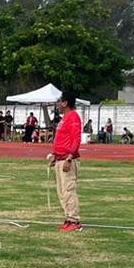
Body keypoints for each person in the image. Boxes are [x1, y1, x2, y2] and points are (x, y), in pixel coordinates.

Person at [49, 90, 83, 232]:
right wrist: (55, 156)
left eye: (59, 101)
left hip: (67, 159)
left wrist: (69, 157)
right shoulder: (64, 118)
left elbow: (76, 139)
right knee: (62, 192)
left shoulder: (73, 117)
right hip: (60, 159)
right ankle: (68, 218)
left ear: (65, 103)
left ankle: (74, 220)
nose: (58, 104)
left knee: (69, 190)